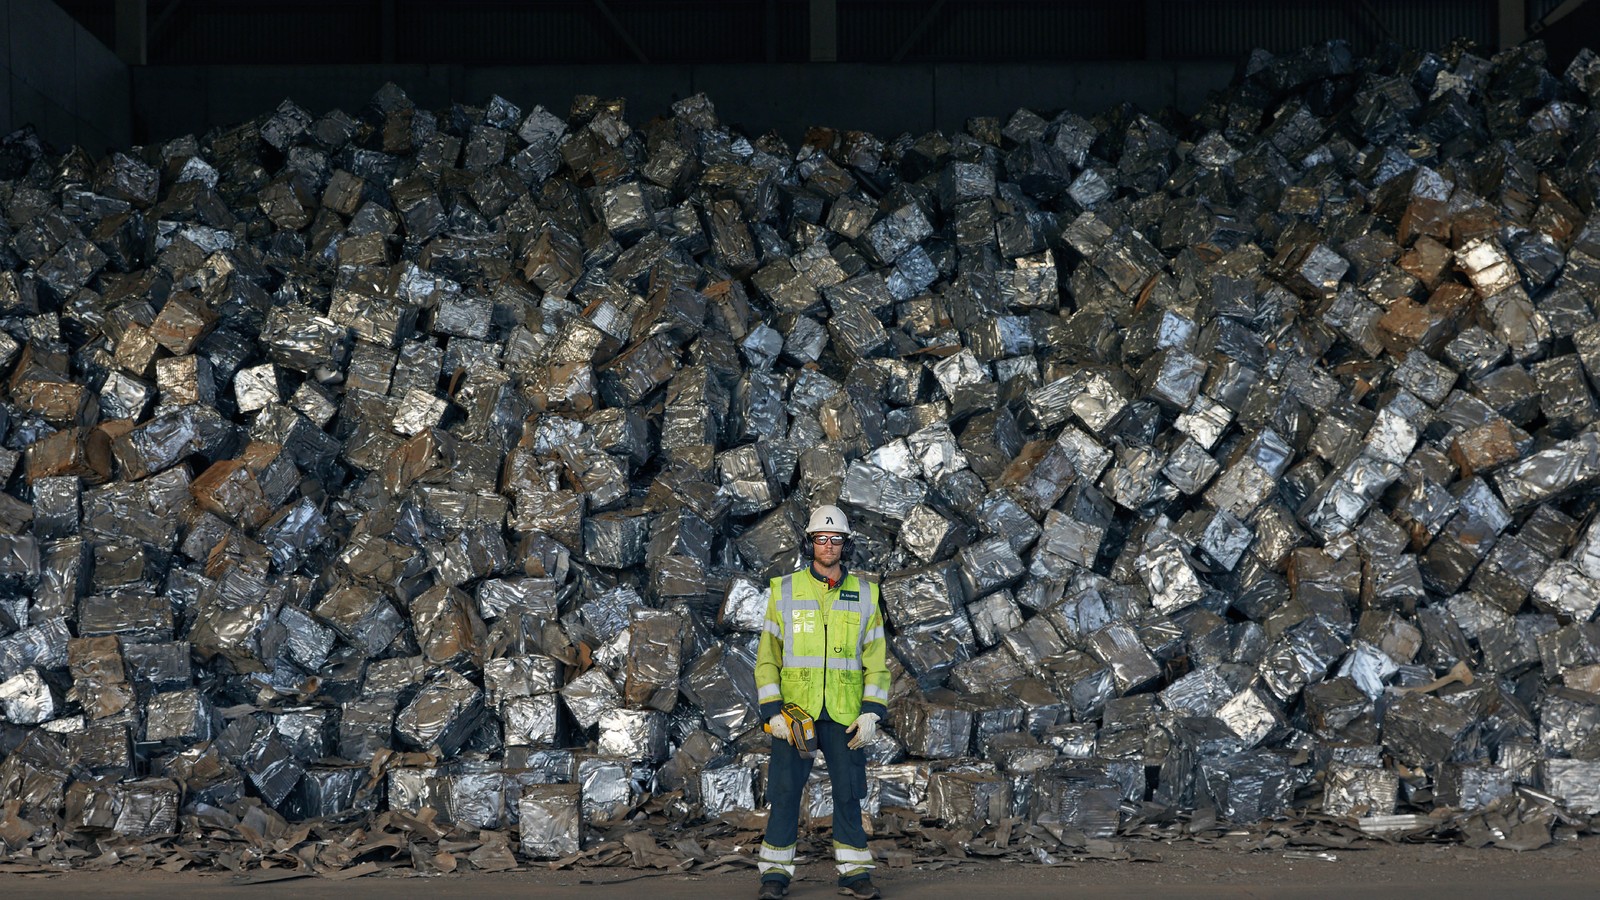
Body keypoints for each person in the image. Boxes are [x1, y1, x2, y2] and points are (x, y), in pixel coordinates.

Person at [753, 505, 890, 900]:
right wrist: (772, 712)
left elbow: (876, 660)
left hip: (845, 714)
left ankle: (854, 873)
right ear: (810, 542)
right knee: (784, 793)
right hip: (797, 715)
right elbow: (768, 658)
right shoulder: (785, 590)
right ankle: (774, 876)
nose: (828, 545)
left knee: (848, 793)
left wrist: (872, 713)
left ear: (845, 545)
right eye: (821, 539)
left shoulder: (866, 594)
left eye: (836, 540)